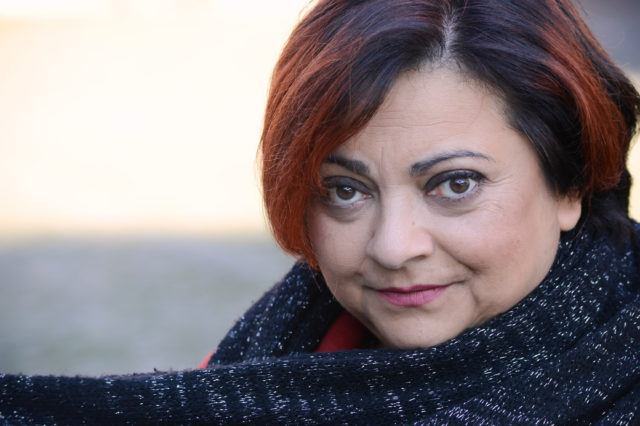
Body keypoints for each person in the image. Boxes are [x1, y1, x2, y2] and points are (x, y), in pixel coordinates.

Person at [2, 0, 640, 423]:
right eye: (344, 190)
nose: (393, 247)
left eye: (455, 184)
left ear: (570, 184)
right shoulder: (270, 362)